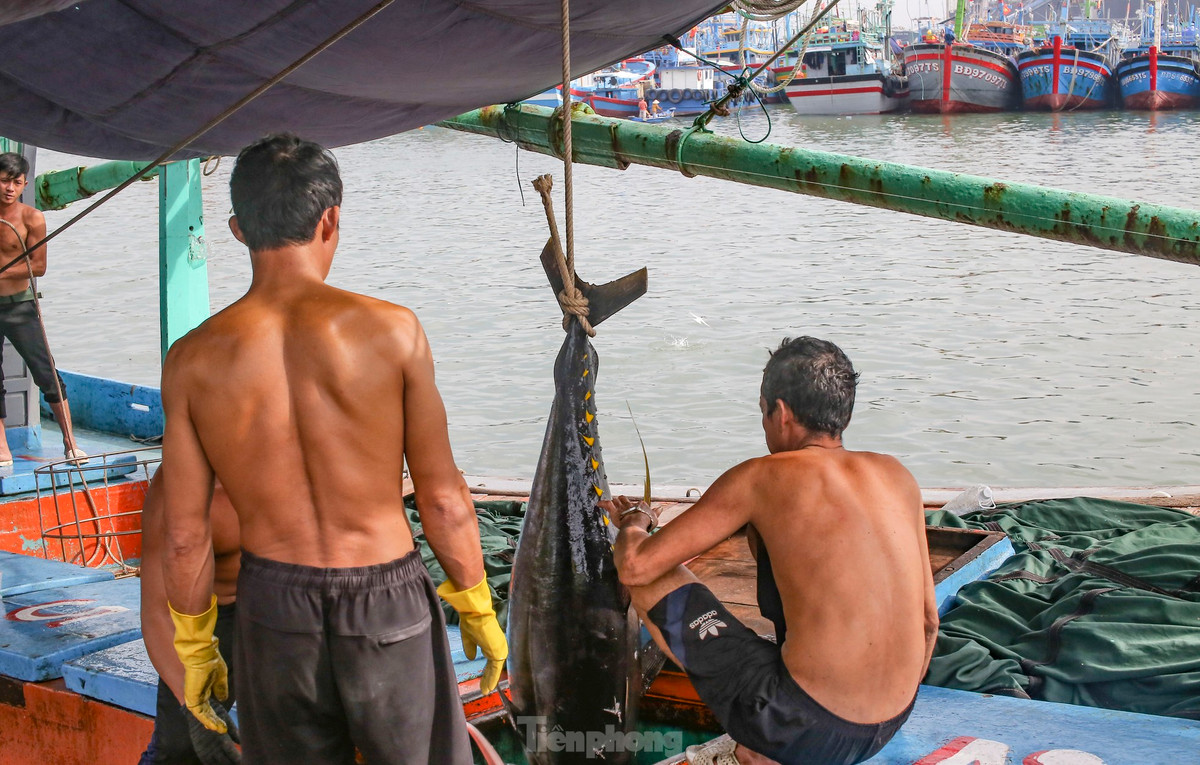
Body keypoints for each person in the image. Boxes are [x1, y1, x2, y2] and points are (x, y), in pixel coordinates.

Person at [159, 133, 506, 764]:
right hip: (385, 597)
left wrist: (196, 648)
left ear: (237, 230)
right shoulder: (393, 330)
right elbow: (443, 497)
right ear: (332, 219)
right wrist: (476, 603)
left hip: (272, 607)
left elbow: (184, 535)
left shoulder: (191, 360)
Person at [609, 337, 937, 765]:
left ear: (779, 413)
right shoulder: (898, 475)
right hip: (892, 721)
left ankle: (769, 746)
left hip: (805, 727)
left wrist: (635, 522)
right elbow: (929, 623)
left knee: (649, 574)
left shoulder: (762, 476)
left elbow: (636, 566)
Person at [140, 470, 242, 765]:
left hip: (287, 613)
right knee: (179, 747)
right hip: (211, 623)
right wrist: (192, 707)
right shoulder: (174, 488)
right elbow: (158, 611)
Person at [0, 152, 85, 466]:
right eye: (4, 180)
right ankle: (2, 450)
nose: (10, 187)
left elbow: (38, 267)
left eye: (17, 182)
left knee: (47, 374)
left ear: (23, 185)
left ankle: (70, 443)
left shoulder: (32, 218)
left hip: (20, 307)